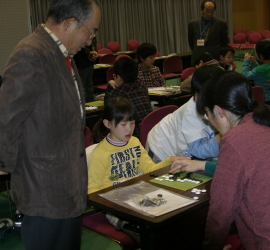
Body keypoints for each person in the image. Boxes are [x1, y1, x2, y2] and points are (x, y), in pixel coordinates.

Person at [0, 1, 101, 249]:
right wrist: (4, 166)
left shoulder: (62, 53)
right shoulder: (32, 53)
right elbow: (6, 117)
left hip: (67, 184)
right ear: (69, 24)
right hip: (43, 187)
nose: (91, 40)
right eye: (90, 31)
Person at [186, 71, 270, 249]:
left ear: (218, 111)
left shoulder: (235, 139)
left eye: (208, 116)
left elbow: (221, 212)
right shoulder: (263, 120)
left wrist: (211, 246)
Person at [88, 97, 182, 242]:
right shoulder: (99, 154)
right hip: (116, 206)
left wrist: (170, 160)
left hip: (139, 196)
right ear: (107, 123)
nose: (129, 129)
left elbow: (149, 169)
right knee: (146, 234)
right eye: (123, 124)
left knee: (172, 221)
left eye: (132, 123)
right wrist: (115, 201)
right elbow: (93, 191)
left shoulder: (134, 142)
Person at [146, 65, 223, 163]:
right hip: (160, 147)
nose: (200, 100)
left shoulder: (218, 104)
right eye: (197, 95)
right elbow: (198, 150)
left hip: (183, 148)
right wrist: (223, 138)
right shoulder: (191, 112)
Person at [104, 57, 152, 139]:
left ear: (118, 78)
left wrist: (110, 85)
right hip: (149, 134)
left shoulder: (115, 94)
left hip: (131, 137)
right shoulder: (142, 86)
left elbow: (107, 110)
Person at [188, 0, 228, 66]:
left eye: (212, 11)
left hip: (215, 58)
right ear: (201, 10)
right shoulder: (192, 24)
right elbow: (191, 42)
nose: (209, 13)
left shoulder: (221, 23)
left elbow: (224, 43)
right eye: (207, 11)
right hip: (198, 58)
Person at [73, 37, 98, 102]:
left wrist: (92, 53)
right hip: (83, 63)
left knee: (86, 84)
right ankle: (88, 100)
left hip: (86, 64)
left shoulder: (87, 35)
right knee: (85, 84)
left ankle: (88, 100)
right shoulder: (83, 35)